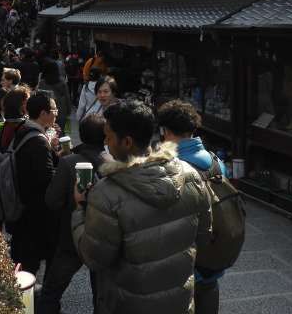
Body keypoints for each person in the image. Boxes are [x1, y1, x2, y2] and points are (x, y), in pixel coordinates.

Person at [72, 99, 212, 314]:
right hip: (179, 302)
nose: (106, 143)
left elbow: (94, 258)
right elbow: (203, 236)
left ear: (126, 142)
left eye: (108, 137)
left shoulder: (106, 193)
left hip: (127, 304)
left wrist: (81, 210)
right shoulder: (190, 174)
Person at [157, 99, 228, 314]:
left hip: (181, 261)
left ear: (165, 131)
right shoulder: (215, 161)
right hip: (211, 256)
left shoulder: (168, 166)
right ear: (193, 128)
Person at [38, 113, 106, 314]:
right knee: (101, 295)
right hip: (103, 237)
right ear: (105, 137)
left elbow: (52, 200)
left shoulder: (69, 162)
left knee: (51, 292)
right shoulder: (112, 163)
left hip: (70, 237)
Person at [8, 91, 60, 274]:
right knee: (29, 266)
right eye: (54, 109)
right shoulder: (37, 141)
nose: (57, 112)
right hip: (33, 216)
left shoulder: (24, 130)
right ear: (43, 113)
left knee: (23, 263)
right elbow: (46, 180)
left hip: (23, 211)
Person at [38, 57, 72, 133]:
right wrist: (68, 111)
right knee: (60, 132)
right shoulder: (62, 82)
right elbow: (67, 97)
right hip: (61, 110)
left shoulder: (42, 82)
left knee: (47, 132)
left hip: (47, 111)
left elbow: (39, 97)